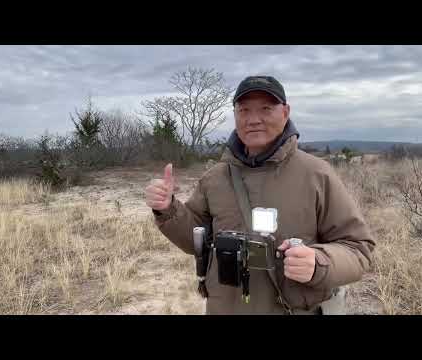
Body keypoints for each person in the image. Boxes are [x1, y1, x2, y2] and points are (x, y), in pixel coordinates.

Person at [144, 75, 376, 315]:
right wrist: (167, 208)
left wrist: (318, 263)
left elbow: (359, 249)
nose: (253, 120)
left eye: (266, 109)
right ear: (235, 115)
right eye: (244, 110)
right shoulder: (215, 178)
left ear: (285, 112)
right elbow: (196, 240)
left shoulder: (317, 174)